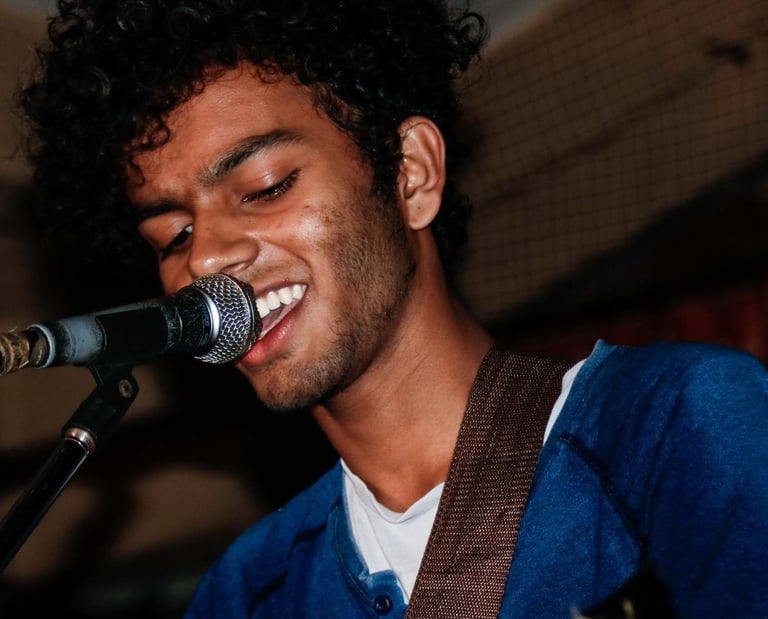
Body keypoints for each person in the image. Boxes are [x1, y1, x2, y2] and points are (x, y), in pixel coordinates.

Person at [15, 0, 768, 617]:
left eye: (267, 185)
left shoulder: (678, 424)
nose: (205, 257)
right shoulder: (246, 595)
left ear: (411, 174)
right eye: (172, 234)